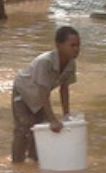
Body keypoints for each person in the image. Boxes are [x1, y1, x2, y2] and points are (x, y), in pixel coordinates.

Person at [10, 26, 80, 163]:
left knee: (41, 130)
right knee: (23, 129)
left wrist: (66, 115)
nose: (76, 49)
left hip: (39, 97)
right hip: (23, 92)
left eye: (78, 45)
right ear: (59, 45)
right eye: (72, 45)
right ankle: (17, 165)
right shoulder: (45, 62)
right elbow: (43, 93)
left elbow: (64, 89)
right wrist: (53, 119)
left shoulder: (71, 64)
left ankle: (33, 162)